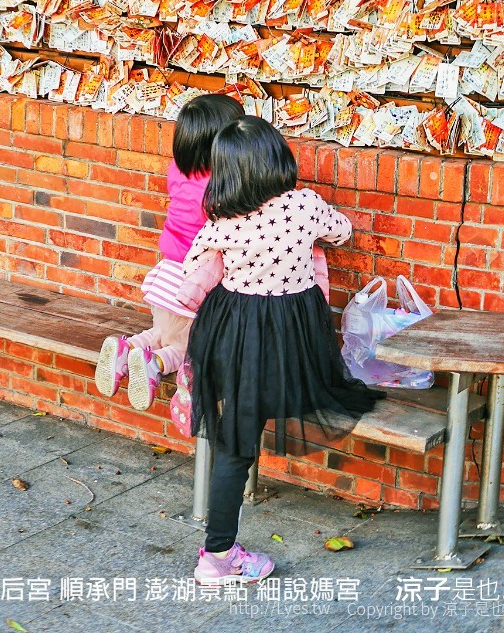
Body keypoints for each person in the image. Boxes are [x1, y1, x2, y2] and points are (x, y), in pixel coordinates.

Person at [180, 115, 383, 586]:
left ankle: (219, 547)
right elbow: (342, 231)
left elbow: (195, 269)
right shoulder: (304, 205)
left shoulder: (221, 223)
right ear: (277, 159)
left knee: (235, 439)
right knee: (278, 408)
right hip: (291, 336)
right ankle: (216, 558)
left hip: (232, 332)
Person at [94, 93, 244, 411]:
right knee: (186, 346)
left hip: (166, 274)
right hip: (197, 283)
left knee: (161, 330)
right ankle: (156, 364)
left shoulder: (176, 170)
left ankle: (127, 348)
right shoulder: (222, 188)